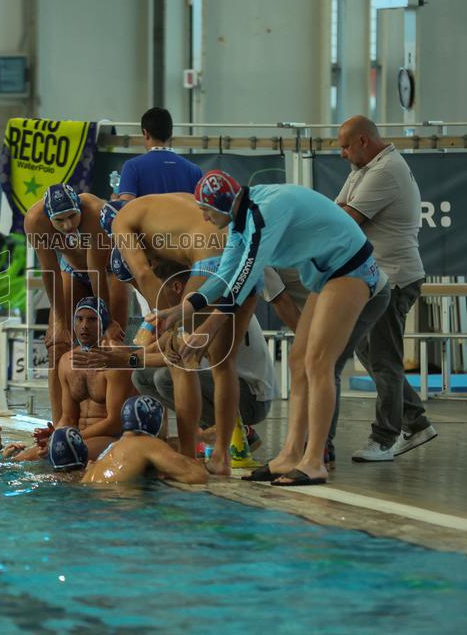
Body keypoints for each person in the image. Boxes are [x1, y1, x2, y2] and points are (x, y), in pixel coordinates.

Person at [160, 171, 391, 486]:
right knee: (298, 361)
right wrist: (183, 308)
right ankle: (291, 454)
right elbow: (226, 275)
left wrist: (211, 325)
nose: (203, 216)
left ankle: (315, 461)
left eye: (206, 209)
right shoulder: (240, 222)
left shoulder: (262, 213)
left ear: (223, 204)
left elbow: (246, 274)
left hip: (353, 270)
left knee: (318, 363)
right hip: (329, 276)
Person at [110, 191, 258, 466]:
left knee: (181, 361)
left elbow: (143, 273)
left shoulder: (121, 222)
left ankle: (188, 457)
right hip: (245, 257)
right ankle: (223, 456)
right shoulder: (169, 207)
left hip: (212, 262)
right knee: (223, 364)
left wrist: (166, 328)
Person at [74, 261, 277, 451]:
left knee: (166, 377)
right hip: (228, 386)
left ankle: (232, 430)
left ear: (177, 287)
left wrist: (127, 359)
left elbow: (177, 357)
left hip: (252, 398)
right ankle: (207, 432)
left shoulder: (203, 306)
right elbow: (163, 344)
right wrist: (123, 356)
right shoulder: (189, 305)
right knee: (141, 376)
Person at [336, 115, 435, 462]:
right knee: (366, 350)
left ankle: (383, 438)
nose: (342, 154)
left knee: (383, 360)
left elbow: (347, 220)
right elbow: (336, 210)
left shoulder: (386, 170)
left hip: (395, 279)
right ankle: (416, 421)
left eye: (346, 146)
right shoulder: (362, 169)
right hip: (378, 280)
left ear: (363, 141)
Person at [24, 184, 129, 423]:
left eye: (72, 216)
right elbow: (49, 271)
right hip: (71, 269)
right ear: (48, 217)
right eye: (59, 220)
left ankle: (109, 421)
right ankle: (59, 425)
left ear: (79, 207)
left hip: (109, 272)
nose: (68, 225)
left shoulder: (95, 211)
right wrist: (60, 322)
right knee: (57, 344)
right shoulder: (35, 221)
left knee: (110, 344)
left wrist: (106, 321)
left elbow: (96, 271)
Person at [51, 398, 208, 484]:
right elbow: (197, 476)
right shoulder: (147, 443)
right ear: (156, 423)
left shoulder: (111, 448)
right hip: (119, 509)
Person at [55, 296, 137, 456]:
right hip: (78, 437)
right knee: (25, 456)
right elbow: (68, 418)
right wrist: (54, 436)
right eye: (79, 319)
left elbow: (115, 423)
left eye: (92, 319)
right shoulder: (66, 361)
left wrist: (69, 439)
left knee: (64, 454)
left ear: (104, 323)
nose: (84, 326)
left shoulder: (116, 357)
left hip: (112, 438)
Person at [112, 107, 202, 201]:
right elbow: (202, 208)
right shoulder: (195, 171)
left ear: (145, 133)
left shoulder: (132, 167)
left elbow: (126, 205)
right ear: (171, 133)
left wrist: (115, 202)